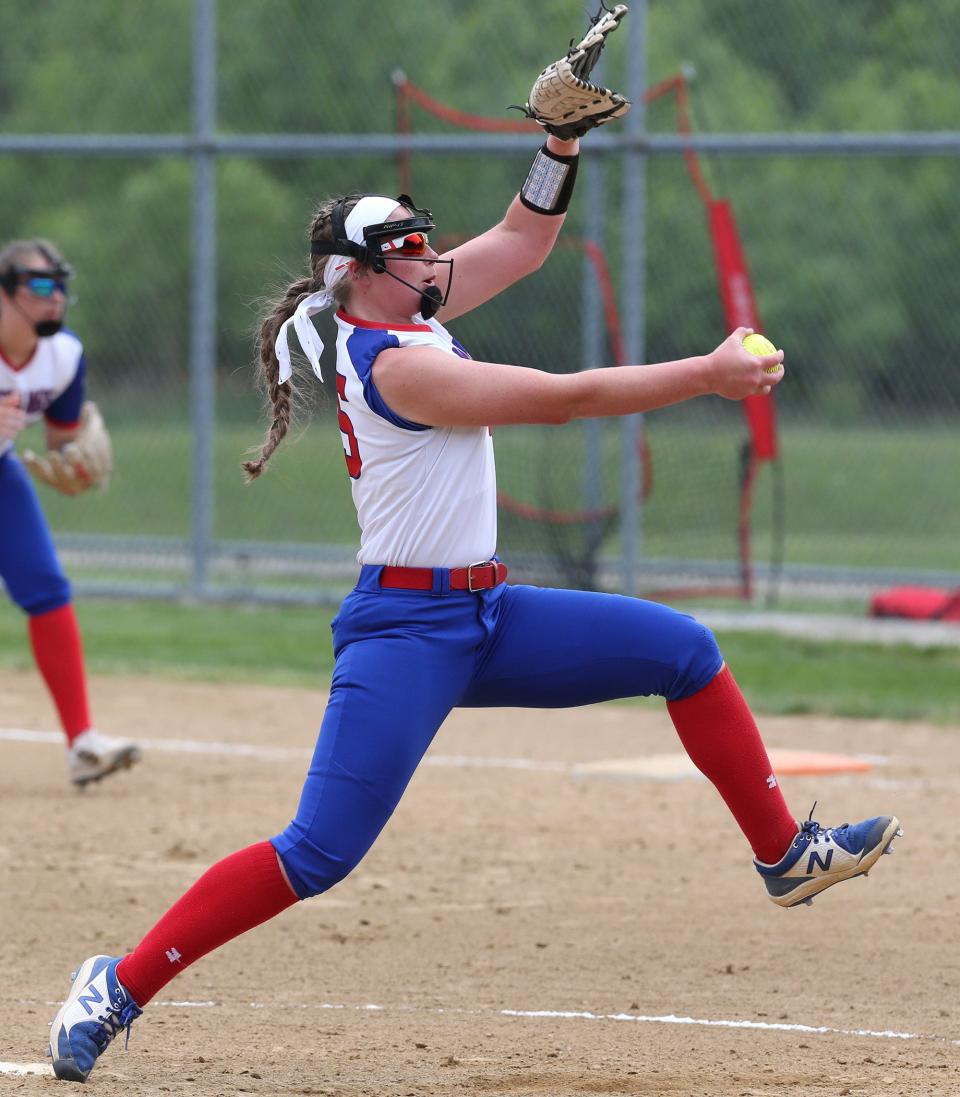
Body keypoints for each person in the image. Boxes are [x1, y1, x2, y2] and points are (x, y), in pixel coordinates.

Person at [44, 13, 901, 1083]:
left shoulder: (413, 317)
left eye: (421, 238)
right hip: (405, 630)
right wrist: (706, 371)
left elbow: (527, 239)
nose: (429, 256)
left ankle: (785, 853)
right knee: (317, 851)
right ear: (355, 276)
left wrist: (557, 144)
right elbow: (564, 397)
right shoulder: (394, 363)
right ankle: (116, 983)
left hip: (488, 614)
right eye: (406, 246)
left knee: (686, 650)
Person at [0, 238, 141, 788]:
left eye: (60, 286)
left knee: (47, 589)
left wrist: (74, 463)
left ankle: (83, 744)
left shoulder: (63, 357)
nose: (55, 297)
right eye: (40, 285)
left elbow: (60, 442)